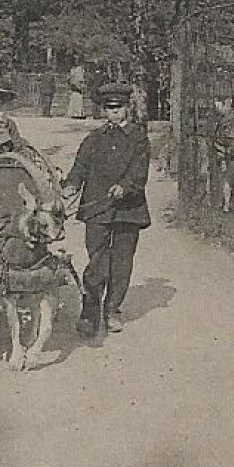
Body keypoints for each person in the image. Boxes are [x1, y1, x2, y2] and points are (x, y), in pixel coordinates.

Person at [62, 83, 150, 338]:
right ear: (103, 110)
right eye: (109, 108)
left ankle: (112, 310)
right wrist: (71, 186)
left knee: (122, 264)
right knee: (97, 263)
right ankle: (90, 314)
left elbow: (139, 171)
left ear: (127, 108)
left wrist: (125, 186)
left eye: (118, 107)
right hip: (97, 210)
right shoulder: (93, 140)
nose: (113, 112)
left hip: (128, 211)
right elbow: (79, 168)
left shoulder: (138, 138)